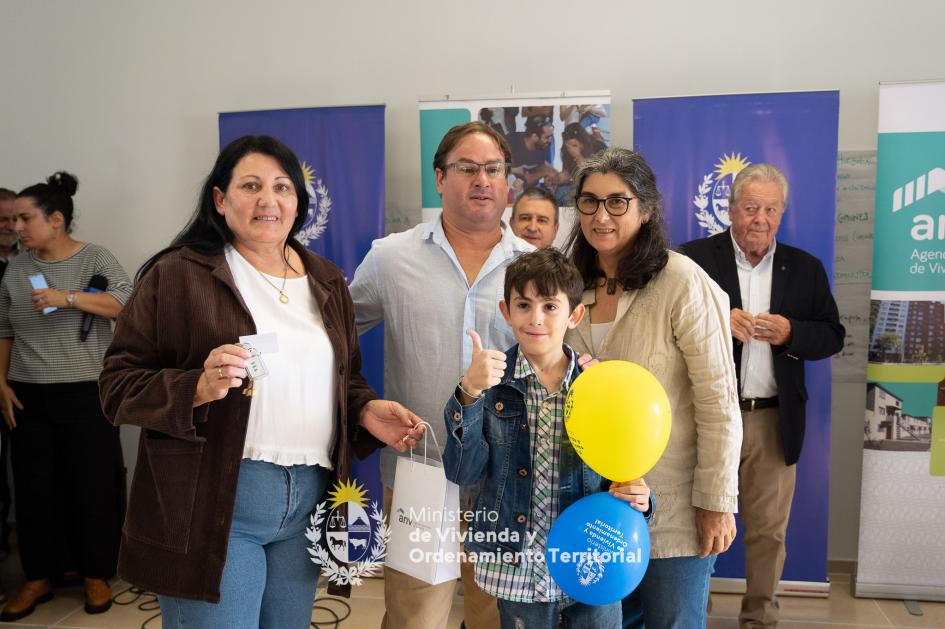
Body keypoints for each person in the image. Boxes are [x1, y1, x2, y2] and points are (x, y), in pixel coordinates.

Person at [98, 135, 424, 629]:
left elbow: (344, 377)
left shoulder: (327, 279)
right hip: (214, 501)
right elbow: (117, 386)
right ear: (220, 200)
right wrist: (197, 388)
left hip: (310, 501)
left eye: (282, 187)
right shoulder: (177, 275)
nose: (268, 200)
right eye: (250, 186)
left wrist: (361, 409)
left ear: (299, 201)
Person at [349, 121, 532, 629]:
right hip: (421, 471)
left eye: (493, 169)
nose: (482, 180)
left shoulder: (535, 266)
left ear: (507, 181)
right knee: (414, 619)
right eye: (467, 168)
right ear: (439, 178)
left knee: (498, 618)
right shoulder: (391, 258)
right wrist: (359, 404)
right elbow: (334, 333)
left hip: (506, 479)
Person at [563, 147, 743, 629]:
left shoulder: (681, 280)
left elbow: (718, 401)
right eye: (589, 201)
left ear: (645, 209)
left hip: (674, 505)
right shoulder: (568, 284)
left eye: (617, 201)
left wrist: (717, 502)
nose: (601, 215)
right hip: (591, 508)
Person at [443, 248, 652, 628]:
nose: (535, 318)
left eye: (550, 306)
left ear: (574, 314)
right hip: (519, 569)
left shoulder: (598, 385)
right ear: (507, 312)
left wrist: (641, 496)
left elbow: (628, 463)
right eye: (524, 305)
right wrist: (468, 394)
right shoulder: (489, 386)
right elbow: (463, 472)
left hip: (593, 562)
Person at [678, 163, 844, 628]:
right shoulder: (692, 259)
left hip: (773, 419)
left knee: (769, 532)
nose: (760, 218)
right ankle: (694, 614)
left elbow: (832, 336)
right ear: (730, 210)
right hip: (705, 417)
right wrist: (718, 321)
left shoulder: (805, 269)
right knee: (697, 525)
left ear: (782, 212)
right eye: (751, 207)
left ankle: (760, 619)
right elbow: (664, 329)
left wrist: (792, 332)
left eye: (771, 209)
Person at [0, 172, 131, 621]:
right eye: (14, 219)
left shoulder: (95, 256)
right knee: (34, 489)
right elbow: (4, 330)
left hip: (86, 391)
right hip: (26, 394)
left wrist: (68, 297)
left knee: (91, 485)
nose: (16, 227)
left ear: (56, 220)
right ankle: (37, 577)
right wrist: (1, 384)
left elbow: (125, 304)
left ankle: (96, 574)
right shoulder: (16, 268)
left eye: (25, 217)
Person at [507, 116, 560, 189]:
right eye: (547, 137)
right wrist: (513, 170)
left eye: (551, 137)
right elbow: (494, 167)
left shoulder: (541, 147)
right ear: (534, 136)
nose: (550, 141)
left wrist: (557, 176)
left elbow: (545, 165)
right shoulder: (511, 141)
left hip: (523, 186)